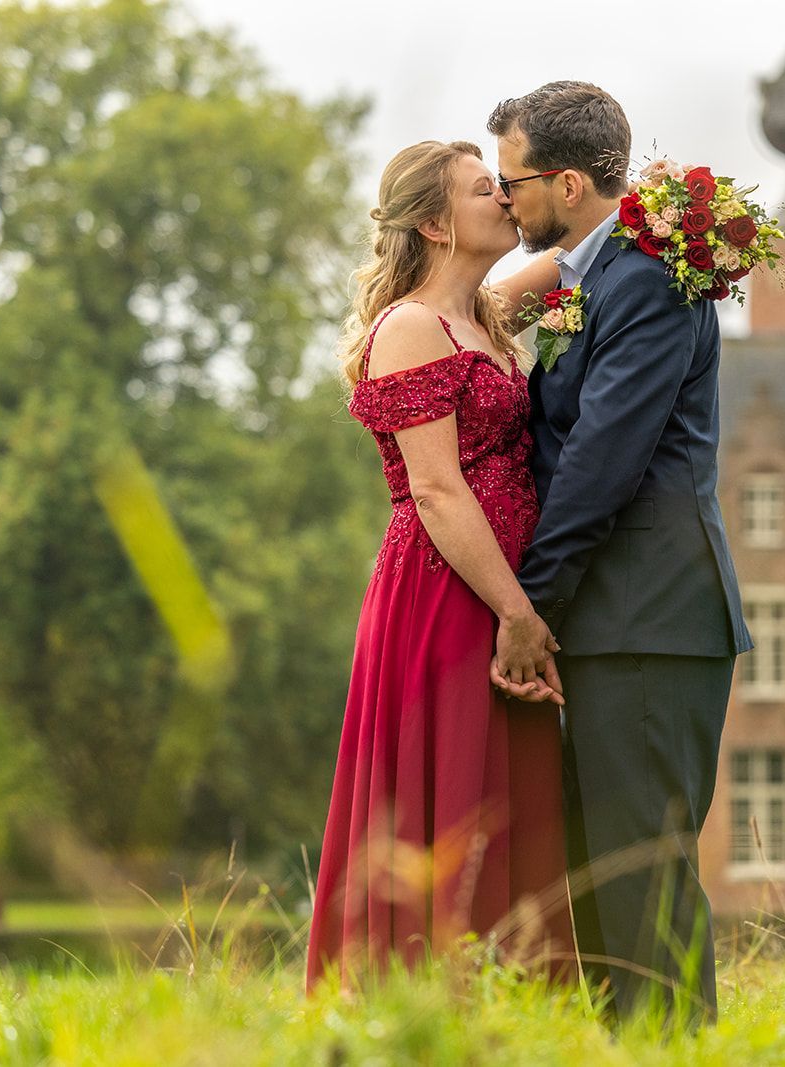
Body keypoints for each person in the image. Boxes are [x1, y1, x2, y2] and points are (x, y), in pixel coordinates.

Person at [488, 82, 752, 1027]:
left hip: (652, 615)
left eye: (509, 178)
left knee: (644, 873)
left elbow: (600, 464)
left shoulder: (644, 276)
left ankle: (677, 1046)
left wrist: (530, 610)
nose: (500, 195)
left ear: (565, 182)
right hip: (616, 620)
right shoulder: (587, 278)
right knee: (601, 878)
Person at [305, 139, 575, 993]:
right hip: (446, 594)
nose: (504, 197)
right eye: (480, 189)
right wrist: (517, 613)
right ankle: (419, 1004)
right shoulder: (413, 327)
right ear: (432, 221)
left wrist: (678, 215)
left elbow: (581, 249)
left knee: (505, 797)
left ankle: (507, 1001)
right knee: (447, 794)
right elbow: (437, 490)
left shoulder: (487, 316)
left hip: (496, 594)